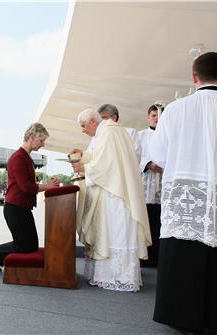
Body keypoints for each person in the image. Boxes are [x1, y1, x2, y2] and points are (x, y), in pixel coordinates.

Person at [151, 51, 217, 334]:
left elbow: (159, 156)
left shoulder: (175, 110)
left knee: (184, 255)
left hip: (185, 196)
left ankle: (182, 315)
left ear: (194, 78)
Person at [71, 108, 151, 292]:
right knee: (113, 232)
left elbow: (104, 166)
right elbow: (105, 160)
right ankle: (112, 276)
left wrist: (84, 167)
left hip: (115, 195)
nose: (83, 130)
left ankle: (118, 277)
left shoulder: (108, 131)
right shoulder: (110, 130)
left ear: (93, 121)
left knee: (115, 233)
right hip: (116, 191)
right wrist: (84, 159)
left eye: (83, 126)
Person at [0, 123, 59, 274]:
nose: (43, 144)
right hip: (15, 208)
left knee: (30, 245)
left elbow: (29, 184)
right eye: (41, 140)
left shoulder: (25, 157)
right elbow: (26, 187)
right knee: (24, 245)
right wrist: (48, 186)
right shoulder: (18, 158)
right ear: (32, 137)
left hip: (22, 207)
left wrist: (46, 185)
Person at [138, 103, 164, 267]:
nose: (156, 119)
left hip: (162, 186)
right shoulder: (140, 135)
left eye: (159, 116)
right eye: (154, 116)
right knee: (145, 222)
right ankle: (144, 257)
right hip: (144, 186)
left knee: (159, 222)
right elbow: (134, 155)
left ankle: (158, 258)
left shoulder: (169, 134)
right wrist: (147, 164)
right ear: (148, 117)